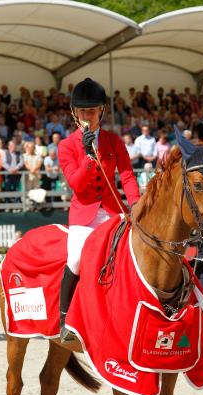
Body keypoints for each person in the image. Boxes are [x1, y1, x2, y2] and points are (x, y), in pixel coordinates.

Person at [58, 77, 140, 342]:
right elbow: (77, 185)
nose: (87, 116)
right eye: (83, 112)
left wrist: (136, 206)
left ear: (101, 111)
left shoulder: (115, 142)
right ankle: (64, 320)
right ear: (74, 113)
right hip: (83, 214)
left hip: (113, 210)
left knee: (134, 255)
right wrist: (89, 157)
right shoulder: (67, 146)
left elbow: (126, 176)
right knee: (77, 260)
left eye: (92, 111)